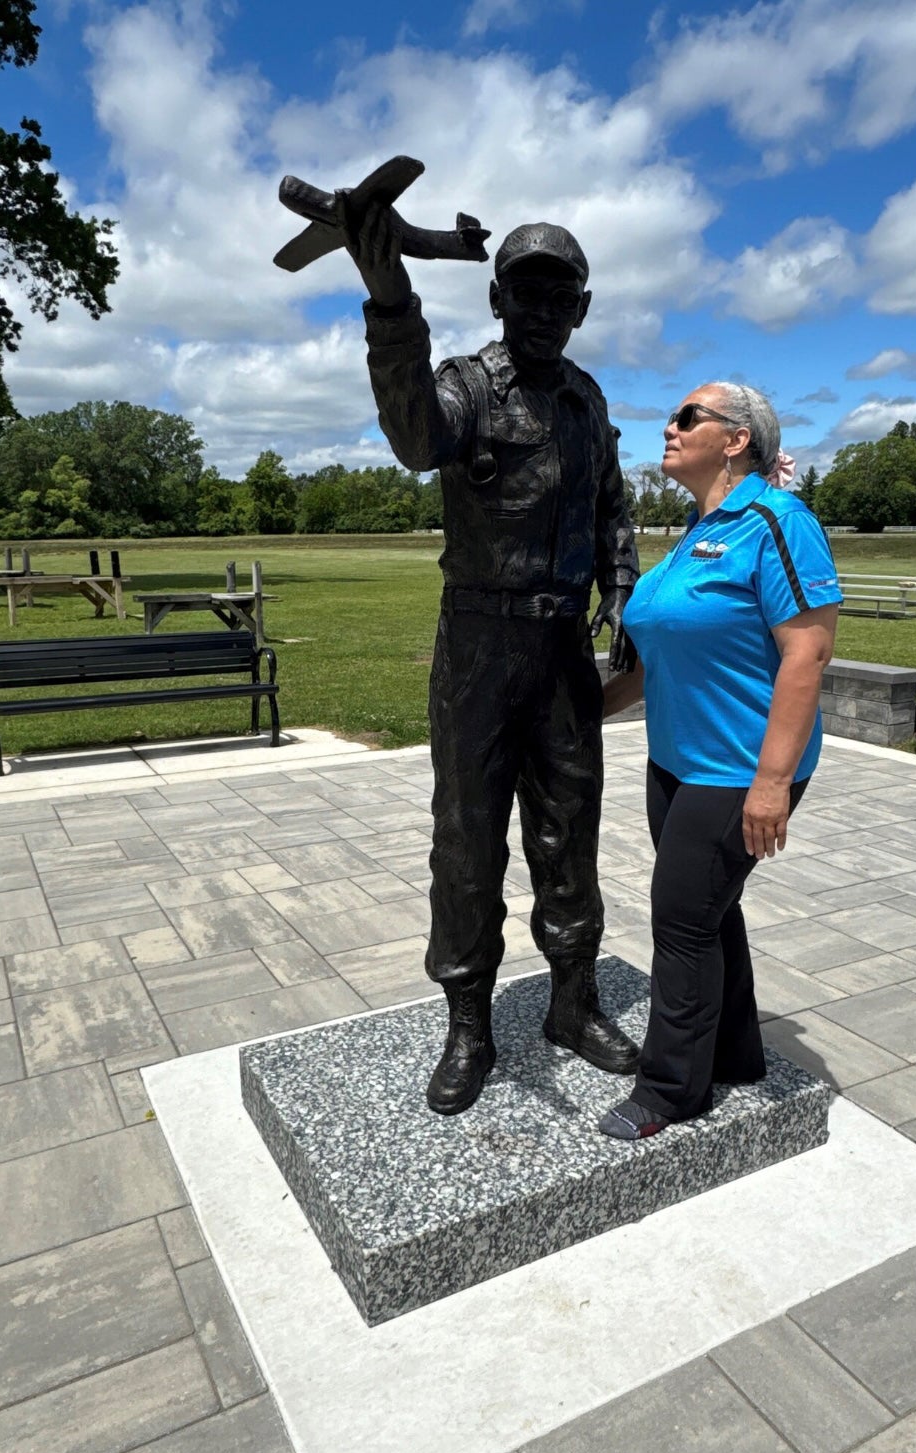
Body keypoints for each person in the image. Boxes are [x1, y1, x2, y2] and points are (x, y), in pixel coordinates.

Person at [344, 206, 641, 1115]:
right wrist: (391, 300)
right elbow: (412, 438)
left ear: (582, 307)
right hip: (476, 646)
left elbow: (610, 511)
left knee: (570, 832)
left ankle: (571, 1003)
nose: (544, 307)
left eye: (561, 293)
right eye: (526, 290)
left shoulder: (588, 402)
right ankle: (468, 1023)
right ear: (497, 296)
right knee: (467, 842)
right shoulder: (467, 386)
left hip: (560, 653)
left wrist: (621, 589)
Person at [597, 383, 841, 1140]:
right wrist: (581, 711)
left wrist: (771, 782)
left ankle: (670, 1091)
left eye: (685, 417)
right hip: (675, 761)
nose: (666, 427)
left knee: (680, 925)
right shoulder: (695, 531)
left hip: (738, 769)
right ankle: (735, 1053)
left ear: (735, 439)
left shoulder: (777, 522)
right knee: (708, 913)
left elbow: (808, 651)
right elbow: (656, 659)